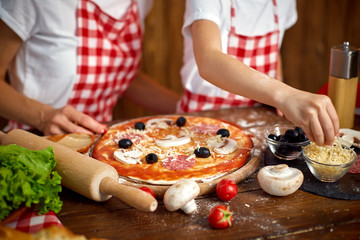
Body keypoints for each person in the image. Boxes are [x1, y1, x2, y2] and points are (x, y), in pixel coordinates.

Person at [0, 0, 179, 136]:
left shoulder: (141, 3)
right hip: (35, 141)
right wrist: (43, 116)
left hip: (101, 143)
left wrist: (192, 106)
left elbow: (120, 77)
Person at [177, 0, 338, 146]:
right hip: (202, 118)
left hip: (258, 119)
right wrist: (286, 95)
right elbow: (209, 61)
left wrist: (279, 98)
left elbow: (274, 51)